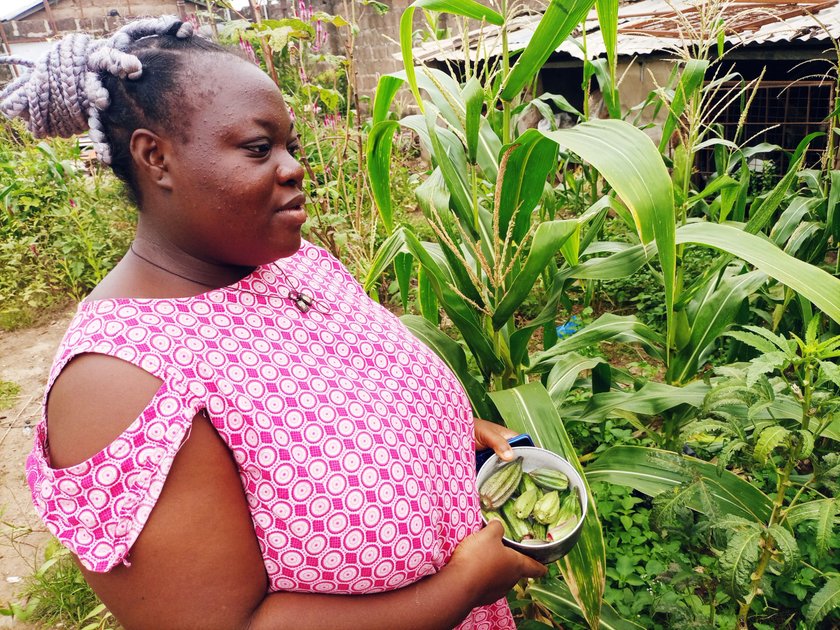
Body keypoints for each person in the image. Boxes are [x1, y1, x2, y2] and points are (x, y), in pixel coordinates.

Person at [1, 16, 546, 629]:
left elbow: (336, 398)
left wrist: (445, 429)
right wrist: (464, 584)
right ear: (155, 157)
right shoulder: (120, 381)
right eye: (259, 149)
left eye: (291, 147)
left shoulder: (290, 266)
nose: (292, 169)